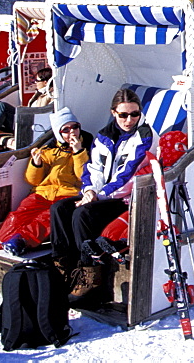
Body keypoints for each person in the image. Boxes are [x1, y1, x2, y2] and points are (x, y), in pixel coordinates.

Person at [50, 88, 154, 304]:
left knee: (83, 214)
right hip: (103, 195)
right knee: (59, 209)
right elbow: (94, 169)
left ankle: (91, 276)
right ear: (113, 113)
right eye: (123, 115)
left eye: (134, 114)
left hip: (126, 198)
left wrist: (98, 195)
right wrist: (89, 190)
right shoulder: (104, 135)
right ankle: (65, 266)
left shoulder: (145, 136)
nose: (129, 120)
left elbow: (129, 175)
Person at [0, 108, 92, 281]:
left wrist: (78, 152)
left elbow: (83, 177)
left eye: (75, 127)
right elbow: (32, 180)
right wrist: (36, 163)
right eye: (66, 129)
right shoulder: (50, 150)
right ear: (57, 132)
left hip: (68, 194)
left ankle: (23, 241)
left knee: (47, 217)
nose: (72, 132)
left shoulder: (87, 147)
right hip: (43, 193)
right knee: (16, 217)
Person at [0, 67, 55, 156]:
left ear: (45, 82)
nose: (35, 82)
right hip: (26, 118)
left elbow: (41, 112)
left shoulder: (50, 95)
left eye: (37, 80)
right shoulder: (40, 92)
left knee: (2, 107)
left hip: (29, 125)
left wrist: (24, 111)